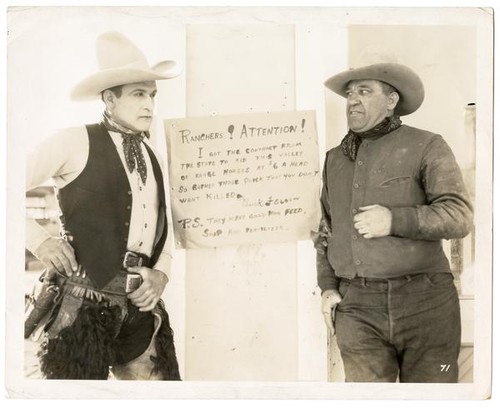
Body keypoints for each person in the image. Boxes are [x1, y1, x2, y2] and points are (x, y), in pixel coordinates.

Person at [25, 31, 181, 380]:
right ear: (110, 99)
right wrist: (40, 241)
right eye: (139, 94)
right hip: (80, 305)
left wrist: (162, 272)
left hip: (140, 306)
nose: (149, 106)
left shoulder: (153, 155)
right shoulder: (72, 141)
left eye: (153, 95)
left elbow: (165, 223)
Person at [315, 62, 473, 383]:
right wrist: (328, 288)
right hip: (357, 307)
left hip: (426, 303)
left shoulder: (428, 145)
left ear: (391, 101)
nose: (352, 101)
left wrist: (394, 219)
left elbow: (459, 215)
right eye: (349, 93)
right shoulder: (335, 158)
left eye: (364, 91)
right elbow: (325, 229)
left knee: (433, 401)